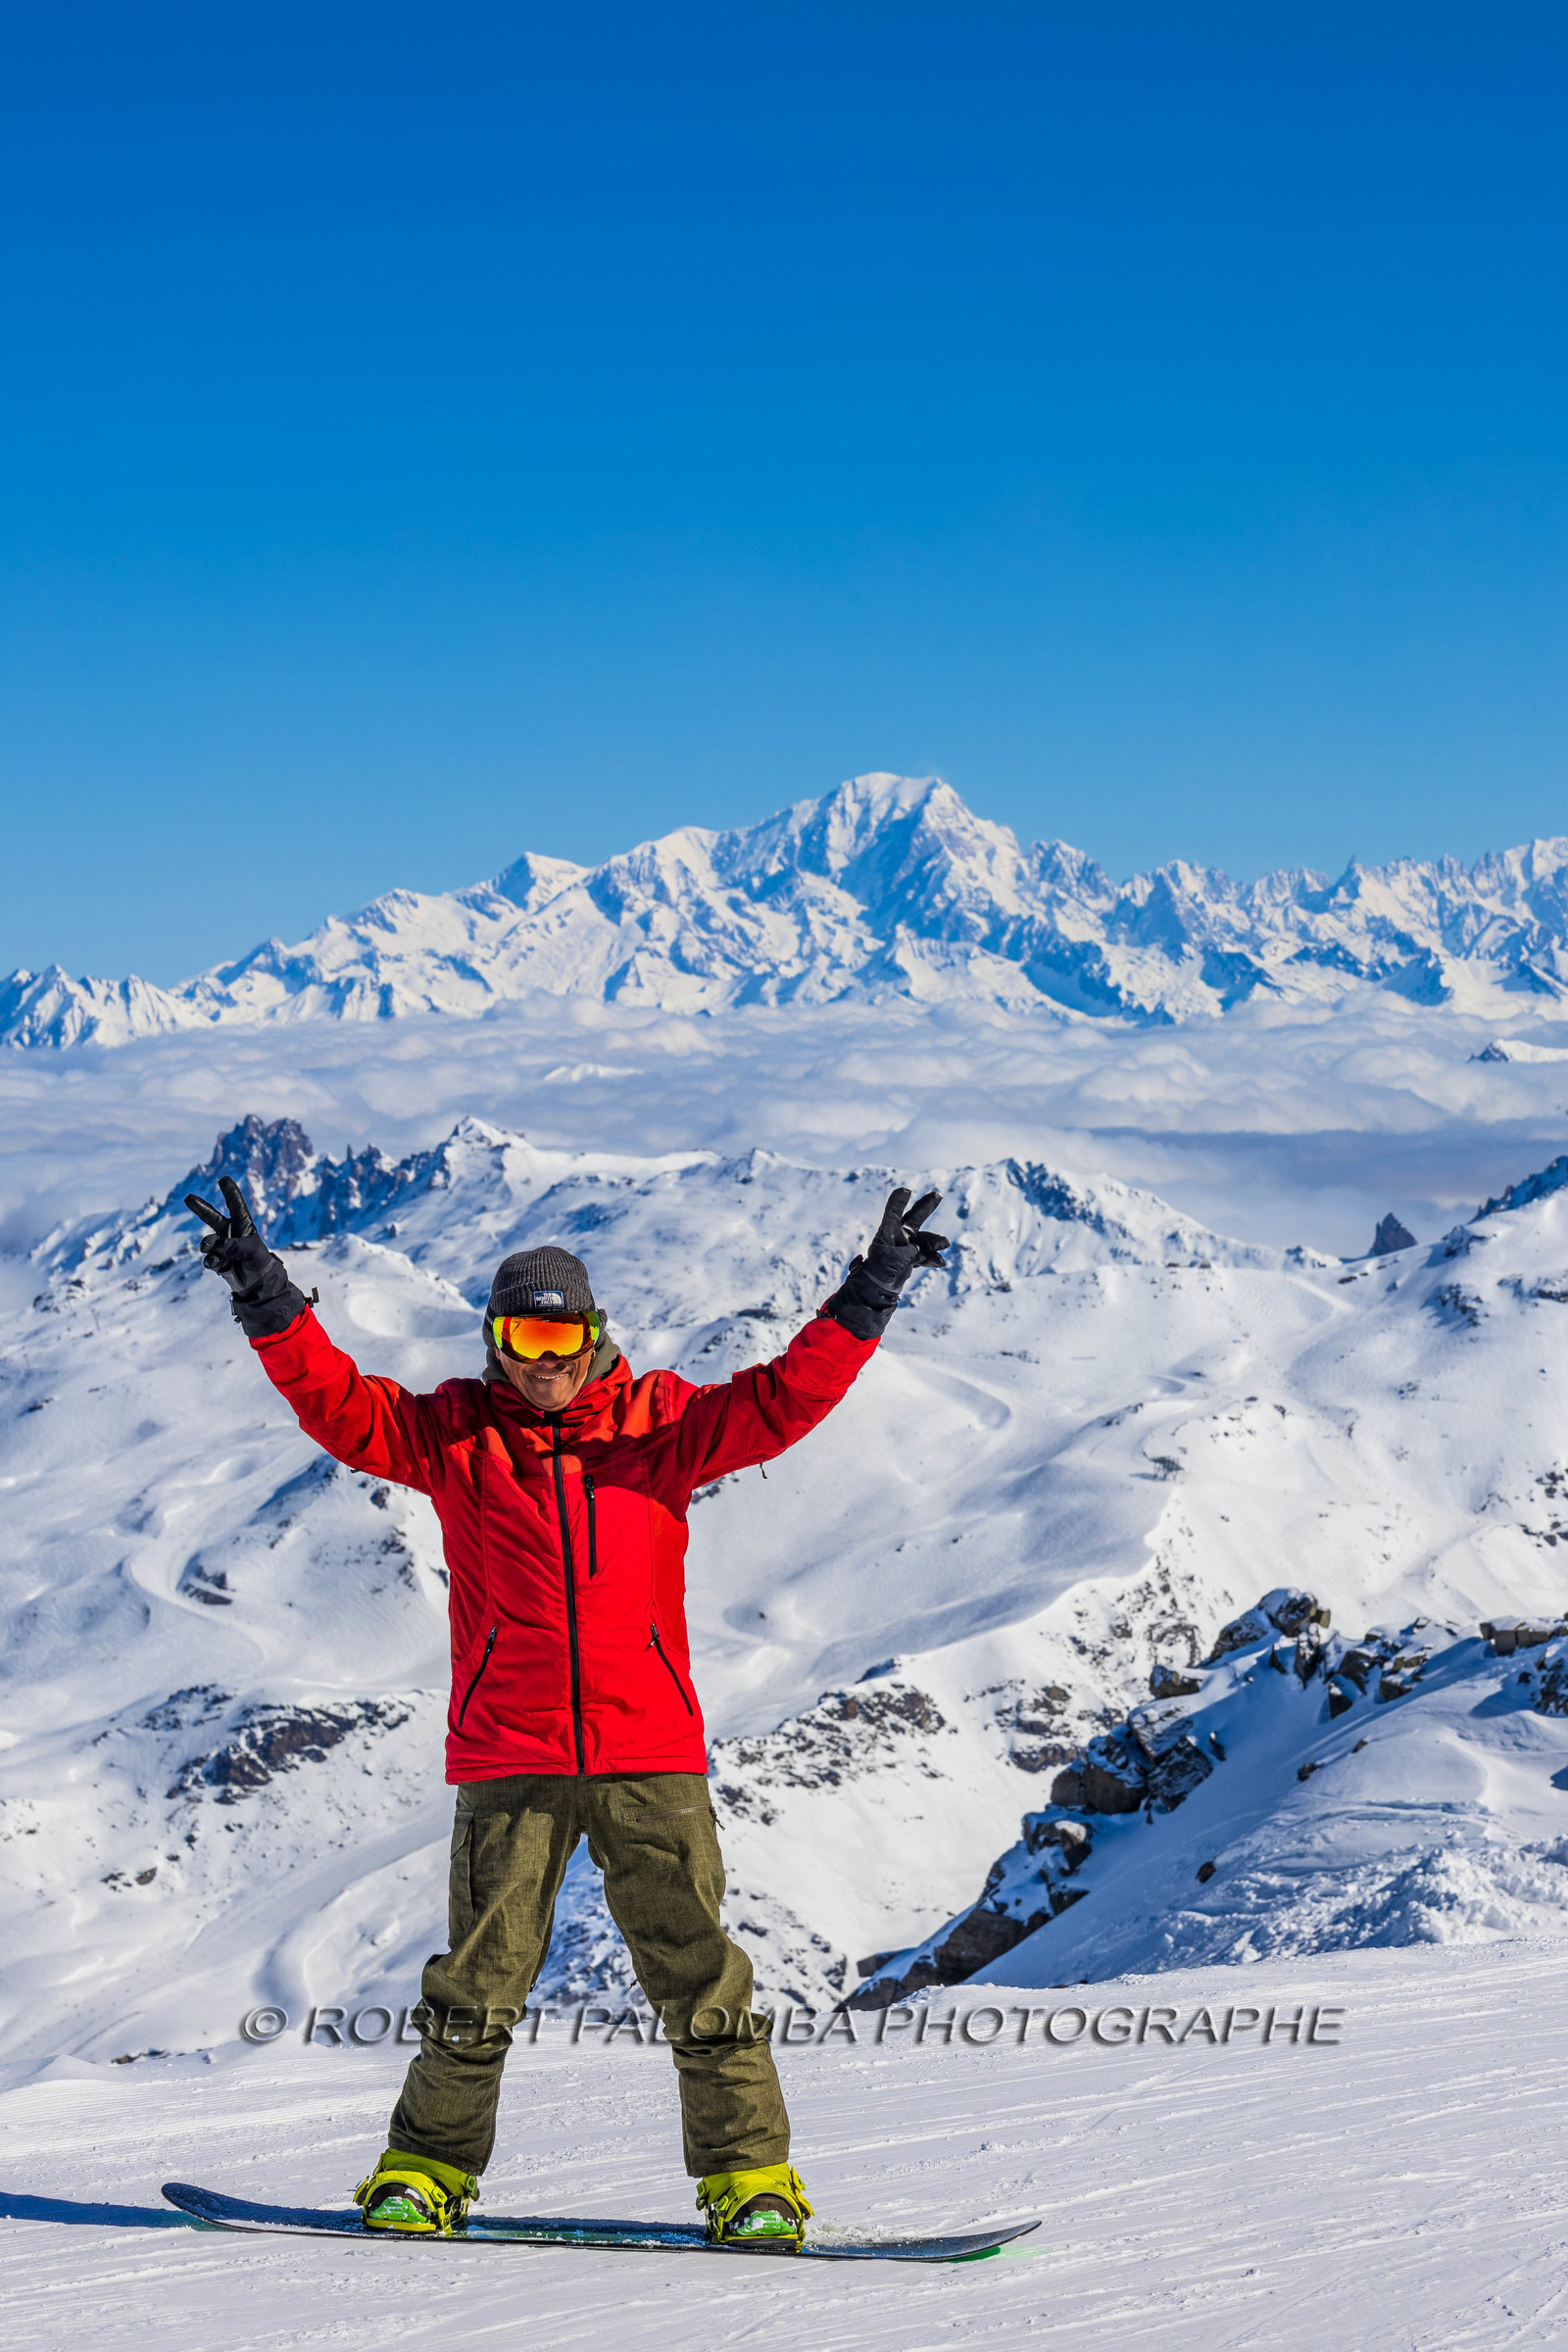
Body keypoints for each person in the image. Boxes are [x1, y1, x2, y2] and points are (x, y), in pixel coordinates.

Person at [186, 1170, 948, 2248]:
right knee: (476, 1985)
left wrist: (869, 1292)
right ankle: (423, 2171)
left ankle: (751, 2184)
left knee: (701, 1976)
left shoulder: (662, 1426)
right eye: (517, 1346)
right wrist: (265, 1292)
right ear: (492, 1343)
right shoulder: (453, 1438)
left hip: (649, 1754)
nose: (538, 1370)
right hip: (511, 1757)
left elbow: (784, 1399)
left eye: (558, 1345)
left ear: (593, 1336)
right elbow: (337, 1404)